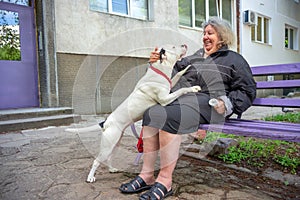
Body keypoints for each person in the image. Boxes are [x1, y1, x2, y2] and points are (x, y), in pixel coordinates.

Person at [119, 17, 256, 200]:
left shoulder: (234, 60)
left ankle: (165, 181)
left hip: (211, 104)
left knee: (172, 116)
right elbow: (169, 71)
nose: (205, 37)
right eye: (204, 33)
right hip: (187, 101)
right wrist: (157, 61)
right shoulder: (195, 57)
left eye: (210, 33)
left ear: (222, 37)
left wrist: (228, 103)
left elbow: (247, 89)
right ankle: (147, 175)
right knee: (152, 113)